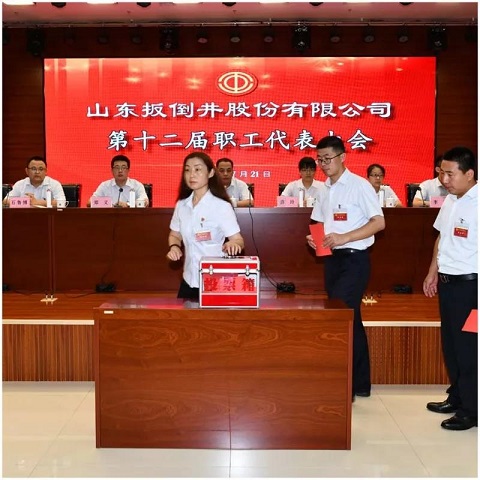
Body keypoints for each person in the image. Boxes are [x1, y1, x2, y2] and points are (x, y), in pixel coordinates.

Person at [306, 136, 385, 400]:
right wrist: (315, 239)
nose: (323, 164)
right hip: (332, 260)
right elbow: (318, 223)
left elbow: (378, 223)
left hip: (354, 259)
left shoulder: (360, 186)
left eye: (328, 158)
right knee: (352, 319)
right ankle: (360, 383)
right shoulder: (323, 189)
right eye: (320, 159)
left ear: (343, 157)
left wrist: (344, 237)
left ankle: (345, 386)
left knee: (341, 318)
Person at [423, 146, 477, 431]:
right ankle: (457, 397)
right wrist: (433, 271)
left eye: (450, 174)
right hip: (448, 285)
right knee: (452, 346)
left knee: (469, 349)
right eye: (441, 173)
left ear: (469, 174)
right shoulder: (451, 200)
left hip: (472, 288)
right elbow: (441, 238)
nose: (444, 179)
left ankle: (471, 410)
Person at [167, 152, 245, 300]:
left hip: (215, 280)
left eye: (197, 169)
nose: (192, 174)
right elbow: (174, 234)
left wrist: (234, 244)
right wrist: (174, 246)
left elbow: (238, 240)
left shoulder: (221, 206)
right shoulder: (181, 205)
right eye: (187, 170)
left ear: (210, 173)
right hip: (189, 280)